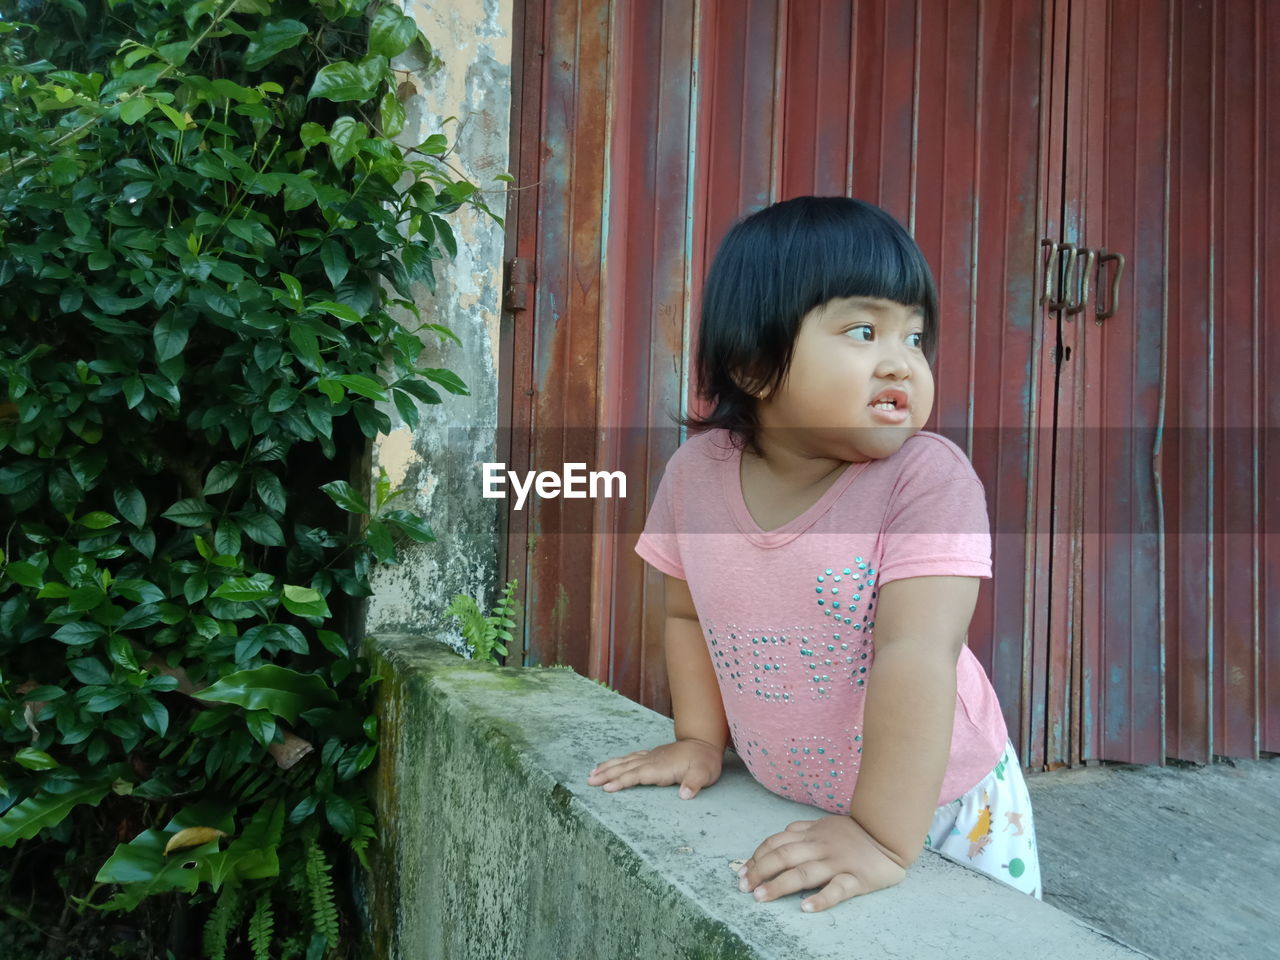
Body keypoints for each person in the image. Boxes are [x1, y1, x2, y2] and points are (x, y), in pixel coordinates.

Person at [585, 196, 1042, 911]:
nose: (901, 362)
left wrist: (881, 836)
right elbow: (686, 616)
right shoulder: (695, 478)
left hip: (946, 806)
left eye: (915, 338)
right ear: (755, 363)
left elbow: (917, 653)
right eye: (865, 330)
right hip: (793, 795)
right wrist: (701, 740)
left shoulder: (926, 479)